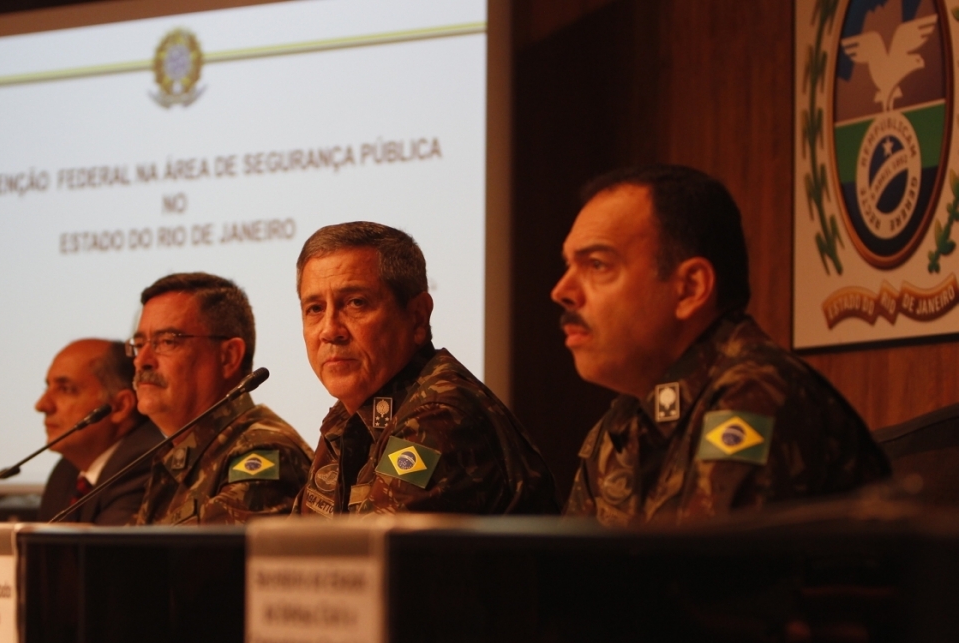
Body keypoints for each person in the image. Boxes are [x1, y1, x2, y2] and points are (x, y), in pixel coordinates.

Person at [552, 164, 890, 527]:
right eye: (569, 265)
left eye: (598, 265)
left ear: (691, 288)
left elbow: (704, 579)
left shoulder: (755, 393)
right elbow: (570, 576)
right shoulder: (624, 419)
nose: (562, 292)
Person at [292, 221, 558, 516]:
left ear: (417, 317)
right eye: (314, 309)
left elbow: (372, 558)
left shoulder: (439, 415)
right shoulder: (346, 418)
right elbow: (294, 552)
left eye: (356, 303)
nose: (330, 330)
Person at [130, 273, 313, 525]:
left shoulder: (263, 449)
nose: (142, 360)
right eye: (139, 345)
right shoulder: (176, 455)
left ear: (228, 356)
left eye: (167, 341)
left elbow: (212, 563)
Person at [36, 339, 161, 524]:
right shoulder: (66, 472)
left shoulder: (142, 465)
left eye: (65, 389)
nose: (42, 405)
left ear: (119, 406)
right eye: (48, 387)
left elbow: (104, 551)